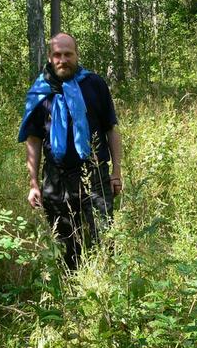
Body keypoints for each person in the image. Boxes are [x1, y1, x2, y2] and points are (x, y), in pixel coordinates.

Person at [18, 33, 122, 270]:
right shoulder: (39, 91)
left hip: (95, 174)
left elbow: (111, 130)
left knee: (105, 239)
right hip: (56, 179)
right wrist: (34, 183)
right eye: (57, 54)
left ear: (76, 55)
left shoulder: (94, 85)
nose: (63, 59)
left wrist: (116, 172)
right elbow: (33, 140)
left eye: (68, 54)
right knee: (66, 244)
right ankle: (72, 292)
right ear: (50, 57)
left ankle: (106, 288)